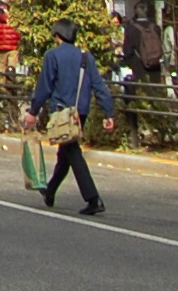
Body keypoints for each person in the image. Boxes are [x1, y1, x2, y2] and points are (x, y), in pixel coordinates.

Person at [25, 20, 116, 214]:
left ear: (57, 36)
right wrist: (108, 112)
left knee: (72, 152)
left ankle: (93, 199)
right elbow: (99, 86)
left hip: (61, 113)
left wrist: (33, 111)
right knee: (65, 152)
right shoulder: (86, 57)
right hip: (80, 112)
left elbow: (45, 87)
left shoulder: (52, 55)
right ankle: (50, 191)